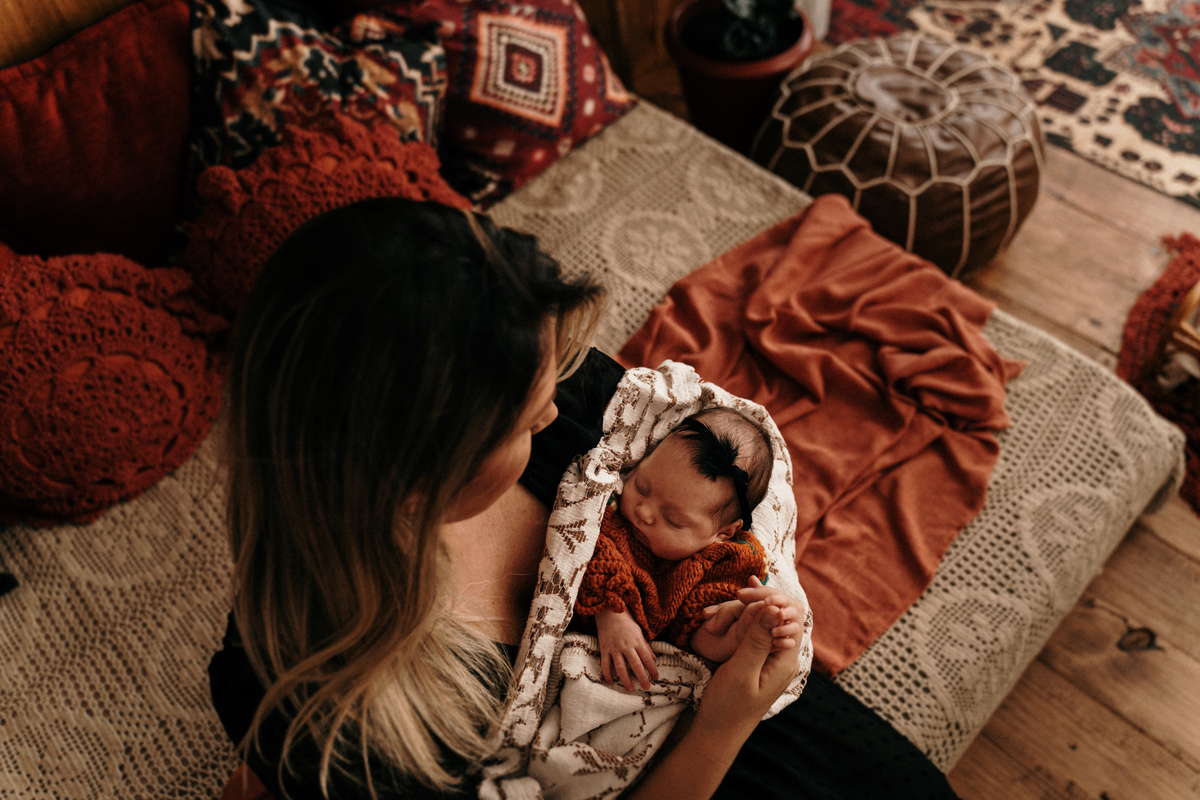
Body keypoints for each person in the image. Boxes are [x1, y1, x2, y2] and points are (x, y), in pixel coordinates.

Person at [207, 197, 808, 800]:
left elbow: (726, 469)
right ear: (419, 484)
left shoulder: (548, 383)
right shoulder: (335, 726)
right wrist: (726, 722)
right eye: (524, 422)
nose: (551, 414)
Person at [573, 408, 804, 692]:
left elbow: (699, 634)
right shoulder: (612, 514)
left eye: (673, 519)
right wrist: (612, 613)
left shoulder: (722, 563)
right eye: (642, 487)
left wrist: (738, 633)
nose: (643, 511)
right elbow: (583, 544)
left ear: (723, 533)